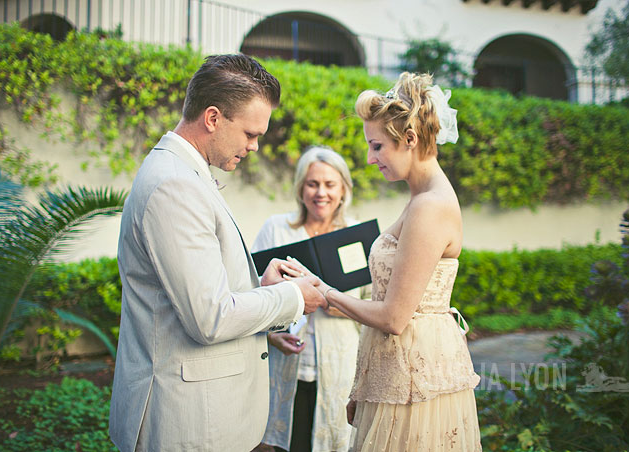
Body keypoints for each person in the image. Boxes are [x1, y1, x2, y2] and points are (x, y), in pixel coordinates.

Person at [108, 54, 326, 452]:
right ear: (212, 118)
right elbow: (208, 318)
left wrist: (259, 286)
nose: (255, 146)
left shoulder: (183, 173)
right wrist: (293, 298)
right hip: (186, 420)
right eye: (249, 133)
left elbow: (196, 292)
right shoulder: (174, 185)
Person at [281, 73, 482, 451]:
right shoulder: (421, 199)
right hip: (395, 372)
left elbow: (392, 318)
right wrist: (366, 384)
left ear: (409, 139)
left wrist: (324, 292)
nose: (370, 159)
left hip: (415, 378)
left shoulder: (430, 207)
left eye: (376, 146)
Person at [252, 147, 367, 452]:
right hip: (286, 363)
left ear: (343, 189)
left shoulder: (356, 236)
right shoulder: (276, 229)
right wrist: (272, 336)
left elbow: (373, 305)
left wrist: (328, 301)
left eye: (330, 184)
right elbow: (250, 294)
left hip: (340, 366)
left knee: (332, 440)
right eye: (312, 183)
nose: (321, 193)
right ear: (301, 188)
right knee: (287, 440)